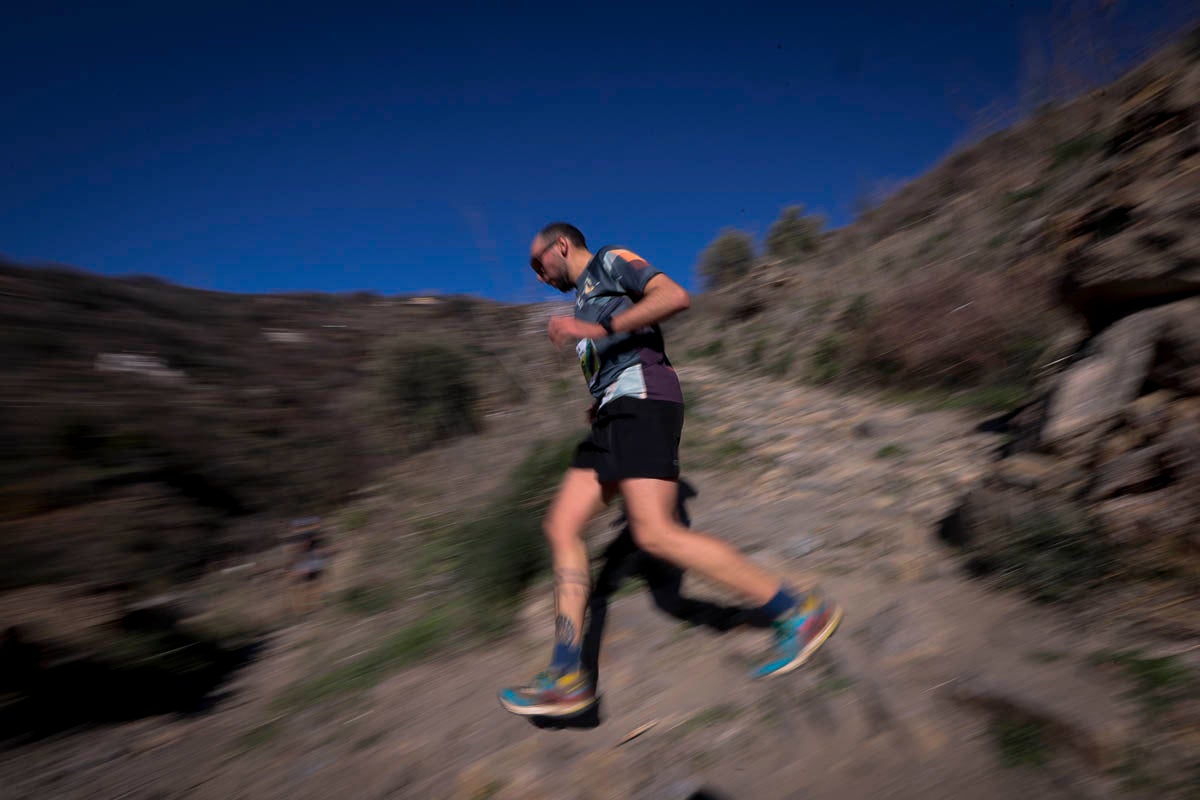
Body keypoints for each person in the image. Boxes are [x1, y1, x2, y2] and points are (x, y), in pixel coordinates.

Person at [498, 223, 842, 717]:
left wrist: (598, 330)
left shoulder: (610, 262)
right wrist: (598, 401)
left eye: (538, 264)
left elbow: (674, 295)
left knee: (656, 533)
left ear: (561, 246)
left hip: (645, 401)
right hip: (616, 413)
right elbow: (615, 356)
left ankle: (799, 612)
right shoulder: (582, 301)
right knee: (561, 526)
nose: (537, 276)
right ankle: (568, 676)